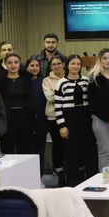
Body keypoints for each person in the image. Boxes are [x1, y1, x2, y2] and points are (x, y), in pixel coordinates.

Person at [54, 55, 98, 185]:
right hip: (69, 118)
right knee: (70, 151)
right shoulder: (61, 83)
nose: (76, 66)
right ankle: (72, 181)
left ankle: (92, 179)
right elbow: (58, 106)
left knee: (89, 150)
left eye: (78, 64)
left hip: (85, 117)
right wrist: (62, 126)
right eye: (73, 63)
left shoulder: (85, 81)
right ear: (67, 65)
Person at [0, 53, 32, 155]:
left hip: (24, 117)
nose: (13, 65)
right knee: (7, 148)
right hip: (7, 118)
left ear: (20, 64)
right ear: (5, 64)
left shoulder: (27, 79)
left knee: (24, 148)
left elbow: (30, 100)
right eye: (10, 63)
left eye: (16, 62)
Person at [42, 56, 67, 185]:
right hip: (53, 117)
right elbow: (50, 98)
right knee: (57, 145)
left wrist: (57, 94)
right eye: (54, 64)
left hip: (69, 116)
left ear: (63, 64)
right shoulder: (47, 81)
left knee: (69, 145)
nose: (56, 66)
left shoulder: (70, 76)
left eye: (59, 63)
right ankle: (59, 171)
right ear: (51, 67)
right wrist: (67, 94)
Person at [26, 58, 49, 173]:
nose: (34, 68)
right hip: (28, 120)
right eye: (32, 65)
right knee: (29, 149)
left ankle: (40, 174)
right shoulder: (24, 81)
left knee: (41, 148)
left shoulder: (44, 81)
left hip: (42, 119)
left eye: (37, 65)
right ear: (27, 67)